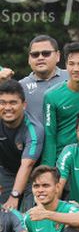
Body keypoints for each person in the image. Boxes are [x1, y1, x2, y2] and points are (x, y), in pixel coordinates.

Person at [0, 80, 43, 210]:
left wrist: (15, 195)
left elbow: (27, 165)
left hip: (32, 175)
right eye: (2, 103)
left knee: (26, 216)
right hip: (6, 171)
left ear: (24, 105)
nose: (7, 108)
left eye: (13, 102)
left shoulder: (34, 129)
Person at [19, 35, 68, 123]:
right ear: (29, 59)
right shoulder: (20, 87)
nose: (40, 57)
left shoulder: (71, 77)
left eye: (46, 53)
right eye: (35, 54)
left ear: (57, 56)